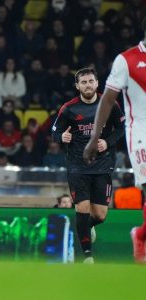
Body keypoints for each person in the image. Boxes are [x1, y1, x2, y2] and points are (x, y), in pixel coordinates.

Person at [83, 20, 146, 262]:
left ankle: (140, 235)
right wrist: (94, 138)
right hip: (140, 131)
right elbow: (108, 100)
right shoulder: (126, 59)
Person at [52, 68, 125, 264]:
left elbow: (121, 127)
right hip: (77, 167)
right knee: (82, 208)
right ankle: (87, 256)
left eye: (90, 81)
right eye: (83, 82)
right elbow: (54, 131)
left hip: (102, 166)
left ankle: (87, 226)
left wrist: (107, 142)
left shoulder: (109, 103)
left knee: (99, 215)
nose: (87, 85)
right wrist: (62, 137)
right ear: (77, 86)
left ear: (97, 83)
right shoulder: (68, 108)